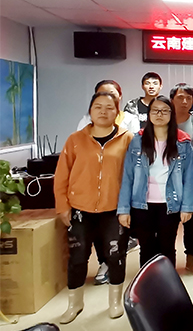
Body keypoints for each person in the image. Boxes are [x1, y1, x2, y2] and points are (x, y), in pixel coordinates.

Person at [54, 91, 133, 323]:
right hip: (80, 209)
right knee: (78, 257)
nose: (103, 112)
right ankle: (74, 304)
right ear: (90, 111)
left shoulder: (127, 139)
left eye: (109, 107)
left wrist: (129, 207)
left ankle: (115, 302)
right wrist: (62, 206)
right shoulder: (75, 139)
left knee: (115, 256)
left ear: (117, 113)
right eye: (98, 107)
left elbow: (133, 175)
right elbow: (62, 175)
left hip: (114, 209)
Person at [117, 96, 193, 269]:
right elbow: (128, 176)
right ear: (149, 114)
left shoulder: (183, 142)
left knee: (167, 247)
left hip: (170, 203)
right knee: (146, 247)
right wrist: (123, 209)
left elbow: (189, 177)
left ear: (171, 114)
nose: (160, 114)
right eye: (155, 110)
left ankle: (167, 283)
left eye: (165, 111)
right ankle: (147, 283)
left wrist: (187, 206)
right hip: (142, 203)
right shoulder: (137, 140)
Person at [75, 79, 138, 286]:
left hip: (119, 185)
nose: (107, 98)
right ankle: (103, 263)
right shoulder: (85, 122)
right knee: (94, 232)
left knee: (116, 235)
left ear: (119, 97)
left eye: (112, 94)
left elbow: (133, 153)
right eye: (101, 94)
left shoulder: (129, 121)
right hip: (90, 188)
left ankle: (114, 270)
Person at [170, 83, 193, 275]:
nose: (184, 101)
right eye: (180, 97)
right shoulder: (164, 120)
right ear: (172, 100)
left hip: (192, 178)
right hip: (167, 180)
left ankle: (191, 257)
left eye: (188, 98)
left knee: (192, 222)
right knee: (167, 223)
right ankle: (166, 261)